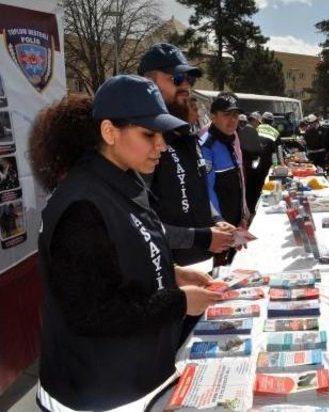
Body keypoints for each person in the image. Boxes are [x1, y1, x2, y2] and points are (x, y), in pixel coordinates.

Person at [30, 77, 221, 411]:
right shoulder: (81, 206)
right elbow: (93, 313)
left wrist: (172, 272)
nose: (161, 144)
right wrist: (178, 303)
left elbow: (129, 246)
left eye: (161, 134)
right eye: (149, 134)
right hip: (94, 394)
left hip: (134, 380)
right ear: (109, 132)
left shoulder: (123, 177)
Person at [138, 43, 234, 266]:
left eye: (189, 80)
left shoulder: (186, 135)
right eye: (176, 78)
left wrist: (216, 220)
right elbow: (137, 225)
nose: (186, 87)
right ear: (148, 82)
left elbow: (198, 194)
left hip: (202, 263)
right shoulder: (141, 140)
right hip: (167, 272)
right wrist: (200, 237)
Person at [200, 92, 247, 229]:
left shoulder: (230, 138)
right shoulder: (206, 146)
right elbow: (207, 188)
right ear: (213, 118)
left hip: (236, 220)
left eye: (235, 115)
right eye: (226, 115)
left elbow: (239, 179)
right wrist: (218, 221)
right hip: (221, 225)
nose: (232, 120)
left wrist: (243, 213)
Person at [237, 113, 263, 214]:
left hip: (244, 164)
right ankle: (252, 210)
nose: (258, 125)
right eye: (258, 123)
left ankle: (248, 208)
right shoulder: (251, 130)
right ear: (254, 121)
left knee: (247, 189)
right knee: (253, 189)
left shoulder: (241, 131)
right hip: (251, 165)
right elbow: (257, 149)